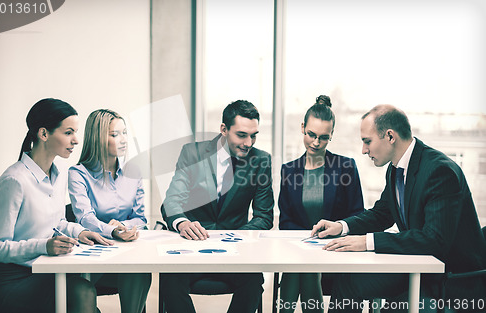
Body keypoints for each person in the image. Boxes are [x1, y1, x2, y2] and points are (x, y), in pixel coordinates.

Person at [311, 104, 486, 312]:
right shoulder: (395, 169)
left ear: (390, 137)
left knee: (392, 308)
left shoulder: (440, 171)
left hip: (450, 280)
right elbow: (382, 213)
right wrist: (342, 226)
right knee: (348, 282)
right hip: (419, 267)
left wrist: (367, 242)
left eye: (367, 141)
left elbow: (434, 240)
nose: (364, 150)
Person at [0, 98, 112, 313]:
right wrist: (44, 245)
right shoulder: (14, 181)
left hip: (45, 268)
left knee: (86, 292)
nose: (76, 140)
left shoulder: (59, 174)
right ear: (44, 134)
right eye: (68, 132)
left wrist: (80, 231)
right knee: (82, 292)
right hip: (11, 281)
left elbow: (57, 222)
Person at [160, 100, 274, 313]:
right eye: (241, 135)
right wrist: (183, 223)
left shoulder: (261, 160)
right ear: (224, 129)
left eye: (254, 135)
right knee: (170, 279)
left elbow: (264, 217)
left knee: (253, 281)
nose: (249, 143)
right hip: (191, 248)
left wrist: (234, 236)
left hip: (236, 252)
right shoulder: (192, 153)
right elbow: (172, 200)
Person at [278, 95, 364, 313]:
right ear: (302, 128)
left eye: (323, 137)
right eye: (311, 135)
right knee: (303, 267)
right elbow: (286, 220)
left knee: (302, 268)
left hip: (335, 248)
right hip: (301, 248)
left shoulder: (346, 167)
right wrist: (307, 243)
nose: (316, 143)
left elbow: (357, 213)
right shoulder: (289, 170)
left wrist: (329, 237)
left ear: (331, 136)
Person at [68, 109, 151, 313]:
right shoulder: (78, 174)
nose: (123, 140)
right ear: (97, 139)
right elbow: (85, 218)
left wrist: (125, 226)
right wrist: (111, 230)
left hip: (127, 254)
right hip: (93, 257)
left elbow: (140, 218)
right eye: (115, 135)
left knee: (140, 271)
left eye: (124, 133)